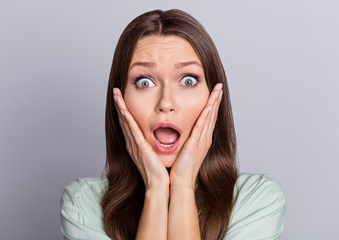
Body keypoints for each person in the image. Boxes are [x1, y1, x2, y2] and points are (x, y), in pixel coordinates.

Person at [60, 9, 286, 240]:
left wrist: (182, 185)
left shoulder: (257, 200)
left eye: (188, 81)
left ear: (214, 97)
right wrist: (156, 189)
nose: (166, 103)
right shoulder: (83, 204)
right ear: (119, 100)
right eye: (145, 82)